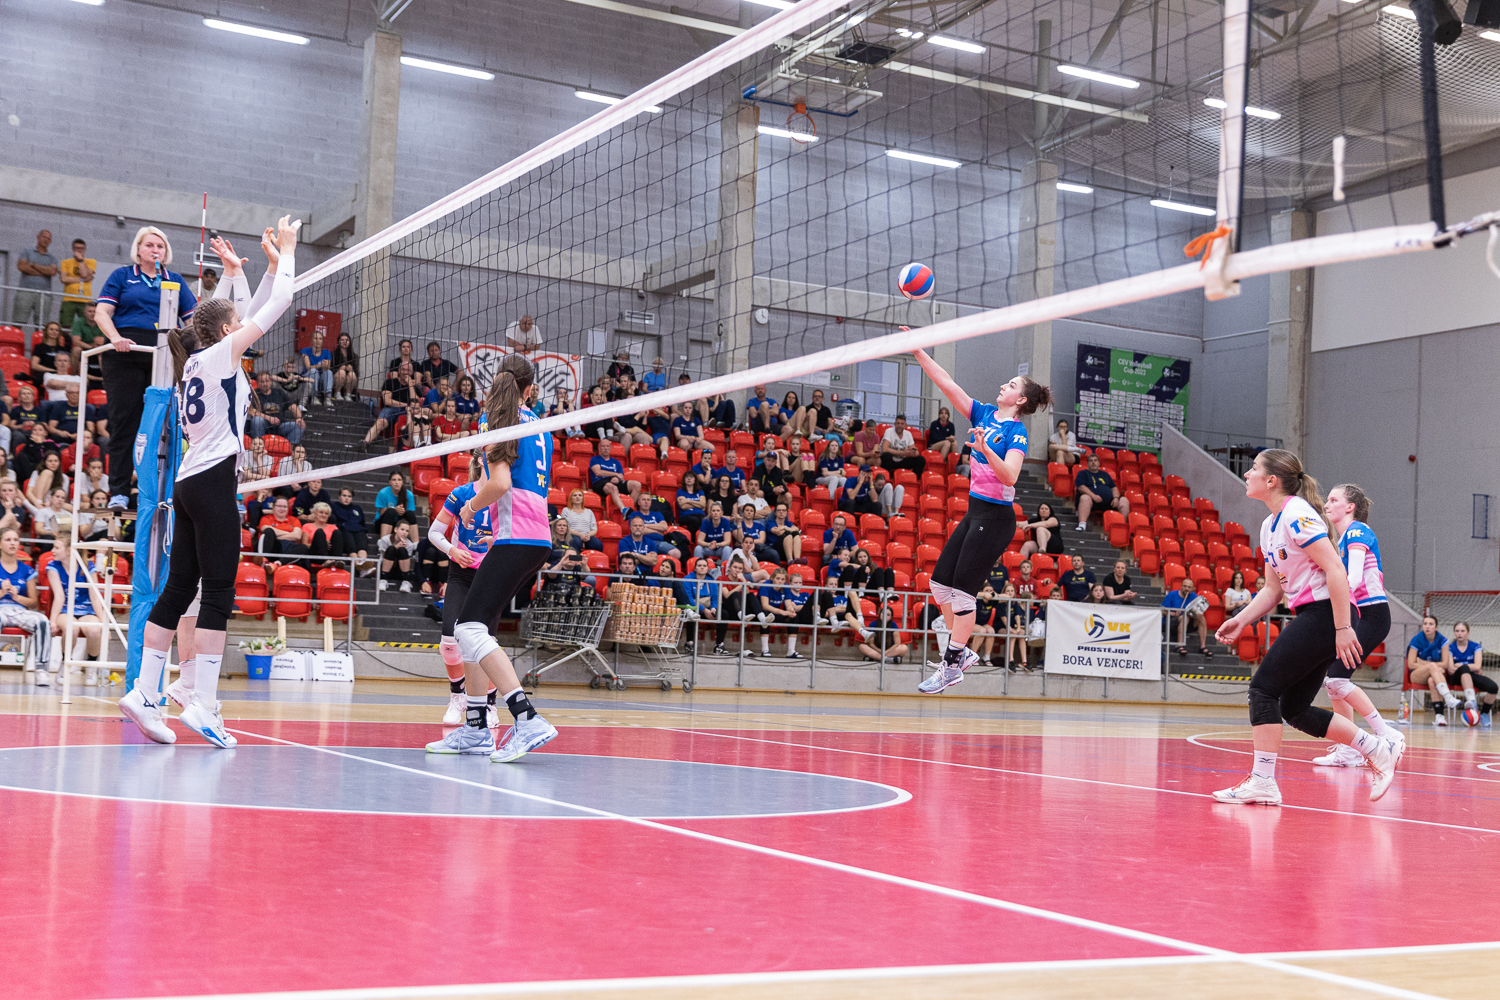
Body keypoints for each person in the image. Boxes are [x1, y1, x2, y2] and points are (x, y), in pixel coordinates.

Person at [129, 221, 297, 748]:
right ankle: (202, 702)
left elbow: (236, 313)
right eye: (236, 323)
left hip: (188, 484)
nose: (243, 325)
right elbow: (278, 303)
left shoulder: (197, 361)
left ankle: (145, 692)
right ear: (227, 331)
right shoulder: (220, 355)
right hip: (212, 483)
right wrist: (289, 255)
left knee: (180, 588)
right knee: (219, 593)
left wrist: (256, 271)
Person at [1212, 449, 1399, 805]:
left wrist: (1342, 628)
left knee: (1263, 689)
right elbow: (1272, 590)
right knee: (1294, 709)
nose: (1247, 474)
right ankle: (1376, 747)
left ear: (1271, 480)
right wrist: (1241, 619)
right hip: (1315, 614)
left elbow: (1336, 569)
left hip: (1327, 613)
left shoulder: (1297, 513)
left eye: (1253, 468)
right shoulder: (1269, 526)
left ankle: (1263, 781)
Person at [426, 353, 560, 762]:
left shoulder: (495, 418)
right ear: (529, 389)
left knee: (468, 628)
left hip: (515, 534)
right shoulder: (541, 426)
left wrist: (469, 508)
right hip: (537, 535)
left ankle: (527, 717)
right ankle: (475, 729)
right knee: (473, 629)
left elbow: (499, 483)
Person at [911, 345, 1049, 695]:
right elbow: (947, 384)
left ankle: (951, 666)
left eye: (1012, 384)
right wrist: (917, 351)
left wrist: (986, 450)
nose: (1004, 385)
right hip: (975, 513)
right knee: (939, 585)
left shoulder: (1017, 433)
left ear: (1020, 400)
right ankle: (962, 651)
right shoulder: (983, 413)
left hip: (997, 518)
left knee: (962, 593)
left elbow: (1011, 476)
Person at [95, 226, 199, 510]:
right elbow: (102, 312)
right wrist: (115, 338)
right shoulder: (122, 276)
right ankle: (118, 492)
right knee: (124, 424)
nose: (155, 250)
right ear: (138, 249)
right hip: (126, 354)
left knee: (163, 426)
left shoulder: (174, 280)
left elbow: (192, 320)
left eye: (160, 246)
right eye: (150, 245)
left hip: (163, 355)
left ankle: (158, 492)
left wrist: (192, 347)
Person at [427, 456, 499, 726]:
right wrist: (452, 550)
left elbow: (516, 536)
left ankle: (490, 704)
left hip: (491, 574)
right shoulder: (461, 494)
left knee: (486, 644)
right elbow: (434, 532)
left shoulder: (505, 496)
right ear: (481, 461)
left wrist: (496, 541)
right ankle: (457, 696)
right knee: (449, 640)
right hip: (460, 572)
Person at [0, 528, 52, 686]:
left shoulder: (27, 570)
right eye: (8, 540)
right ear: (0, 544)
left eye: (15, 540)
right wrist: (2, 593)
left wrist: (17, 597)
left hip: (19, 611)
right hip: (1, 609)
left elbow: (34, 603)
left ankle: (41, 669)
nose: (12, 543)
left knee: (42, 621)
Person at [47, 536, 106, 676]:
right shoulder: (53, 566)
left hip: (87, 610)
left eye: (57, 547)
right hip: (65, 610)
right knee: (72, 629)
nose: (52, 550)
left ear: (69, 550)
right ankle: (65, 663)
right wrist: (52, 621)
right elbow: (59, 596)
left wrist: (104, 623)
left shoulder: (88, 566)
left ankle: (91, 665)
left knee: (95, 631)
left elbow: (95, 597)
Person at [1444, 622, 1495, 727]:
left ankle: (1484, 713)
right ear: (1454, 633)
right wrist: (1468, 667)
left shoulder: (1475, 646)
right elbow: (1451, 670)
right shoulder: (1450, 647)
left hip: (1471, 676)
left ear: (1468, 632)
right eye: (1457, 631)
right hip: (1456, 678)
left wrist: (1460, 665)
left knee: (1493, 687)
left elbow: (1478, 666)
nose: (1460, 633)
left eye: (1462, 631)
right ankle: (1473, 704)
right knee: (1464, 669)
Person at [1406, 614, 1454, 725]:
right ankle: (1447, 696)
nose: (1427, 626)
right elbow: (1411, 664)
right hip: (1417, 675)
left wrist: (1423, 663)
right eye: (1425, 624)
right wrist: (1431, 667)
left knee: (1432, 681)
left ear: (1436, 627)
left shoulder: (1443, 640)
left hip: (1435, 676)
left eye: (1431, 624)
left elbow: (1445, 664)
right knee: (1433, 667)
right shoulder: (1416, 640)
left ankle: (1439, 716)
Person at [365, 362, 419, 448]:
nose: (405, 372)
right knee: (380, 422)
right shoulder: (389, 383)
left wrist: (410, 385)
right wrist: (405, 404)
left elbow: (415, 402)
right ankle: (365, 442)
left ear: (412, 372)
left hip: (407, 412)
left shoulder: (414, 388)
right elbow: (387, 401)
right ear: (399, 370)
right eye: (403, 369)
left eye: (408, 370)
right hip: (390, 409)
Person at [13, 229, 58, 330]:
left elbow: (52, 272)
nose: (46, 240)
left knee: (42, 325)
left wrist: (33, 265)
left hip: (44, 294)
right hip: (25, 291)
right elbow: (22, 267)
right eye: (44, 237)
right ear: (38, 237)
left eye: (48, 238)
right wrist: (44, 272)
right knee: (18, 320)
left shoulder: (52, 258)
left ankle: (39, 341)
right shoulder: (26, 252)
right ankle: (15, 340)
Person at [247, 369, 304, 445]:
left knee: (298, 425)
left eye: (267, 381)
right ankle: (258, 446)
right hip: (264, 425)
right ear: (257, 383)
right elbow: (253, 411)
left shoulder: (279, 392)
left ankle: (290, 448)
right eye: (262, 382)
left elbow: (293, 406)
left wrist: (299, 418)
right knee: (257, 420)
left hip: (280, 426)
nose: (265, 384)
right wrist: (269, 418)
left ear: (270, 381)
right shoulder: (254, 394)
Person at [1073, 452, 1128, 530]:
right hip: (1092, 501)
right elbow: (1081, 487)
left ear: (1099, 463)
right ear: (1087, 463)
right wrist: (1093, 496)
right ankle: (1082, 525)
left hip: (1108, 503)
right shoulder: (1083, 473)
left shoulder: (1105, 474)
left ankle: (1122, 527)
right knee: (1085, 498)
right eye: (1091, 461)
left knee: (1124, 500)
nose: (1093, 462)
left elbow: (1114, 488)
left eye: (1095, 460)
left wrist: (1116, 498)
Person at [1161, 577, 1211, 656]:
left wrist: (1197, 614)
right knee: (1185, 617)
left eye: (1189, 587)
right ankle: (1180, 645)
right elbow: (1162, 611)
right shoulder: (1172, 594)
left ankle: (1202, 646)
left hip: (1187, 623)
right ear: (1181, 586)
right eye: (1185, 586)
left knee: (1201, 618)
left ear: (1193, 589)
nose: (1186, 589)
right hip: (1171, 623)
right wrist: (1174, 613)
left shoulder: (1193, 596)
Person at [332, 487, 373, 575]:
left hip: (358, 530)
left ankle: (363, 563)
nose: (346, 498)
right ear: (339, 496)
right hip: (344, 530)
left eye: (349, 496)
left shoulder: (357, 508)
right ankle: (360, 568)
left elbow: (362, 523)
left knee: (362, 546)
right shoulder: (334, 506)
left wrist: (365, 531)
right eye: (344, 495)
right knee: (352, 547)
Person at [374, 470, 419, 538]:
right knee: (390, 511)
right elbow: (382, 513)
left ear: (402, 482)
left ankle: (416, 542)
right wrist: (395, 509)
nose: (396, 482)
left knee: (410, 514)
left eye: (399, 480)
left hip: (399, 524)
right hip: (382, 523)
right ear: (390, 482)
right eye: (394, 480)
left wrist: (402, 512)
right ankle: (383, 541)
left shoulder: (409, 494)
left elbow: (409, 514)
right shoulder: (383, 493)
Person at [378, 521, 417, 592]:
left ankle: (406, 581)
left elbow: (407, 561)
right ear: (396, 529)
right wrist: (396, 546)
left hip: (400, 569)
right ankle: (383, 579)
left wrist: (402, 548)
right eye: (402, 529)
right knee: (391, 548)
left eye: (407, 531)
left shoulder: (409, 544)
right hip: (386, 568)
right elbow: (384, 556)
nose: (404, 533)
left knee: (402, 550)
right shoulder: (385, 539)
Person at [588, 438, 628, 506]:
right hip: (600, 482)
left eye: (607, 446)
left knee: (636, 484)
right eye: (603, 446)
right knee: (613, 487)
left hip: (614, 482)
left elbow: (621, 476)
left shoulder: (616, 462)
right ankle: (623, 509)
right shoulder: (595, 459)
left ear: (610, 448)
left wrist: (617, 478)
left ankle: (630, 507)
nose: (605, 448)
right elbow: (598, 473)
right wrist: (615, 474)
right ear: (599, 448)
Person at [299, 330, 334, 407]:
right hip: (308, 377)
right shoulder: (305, 350)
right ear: (312, 340)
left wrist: (325, 365)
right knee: (313, 371)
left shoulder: (327, 352)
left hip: (321, 379)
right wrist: (320, 365)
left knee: (329, 372)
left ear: (322, 341)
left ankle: (327, 397)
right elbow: (308, 367)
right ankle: (314, 397)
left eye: (320, 339)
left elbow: (328, 367)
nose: (318, 341)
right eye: (315, 338)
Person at [674, 471, 706, 537]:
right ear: (684, 480)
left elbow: (703, 504)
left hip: (700, 515)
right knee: (694, 520)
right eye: (687, 477)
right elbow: (683, 506)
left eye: (691, 477)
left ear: (695, 480)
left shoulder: (700, 492)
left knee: (707, 520)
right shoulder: (680, 491)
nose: (689, 479)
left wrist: (688, 500)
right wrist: (698, 505)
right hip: (686, 516)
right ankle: (693, 540)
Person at [331, 332, 359, 401]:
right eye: (342, 340)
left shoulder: (354, 356)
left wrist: (351, 369)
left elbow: (357, 373)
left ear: (350, 342)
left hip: (349, 379)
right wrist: (339, 369)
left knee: (352, 374)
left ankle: (348, 395)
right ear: (339, 342)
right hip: (336, 378)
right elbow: (330, 369)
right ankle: (337, 393)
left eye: (347, 340)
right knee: (342, 372)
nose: (344, 342)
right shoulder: (333, 354)